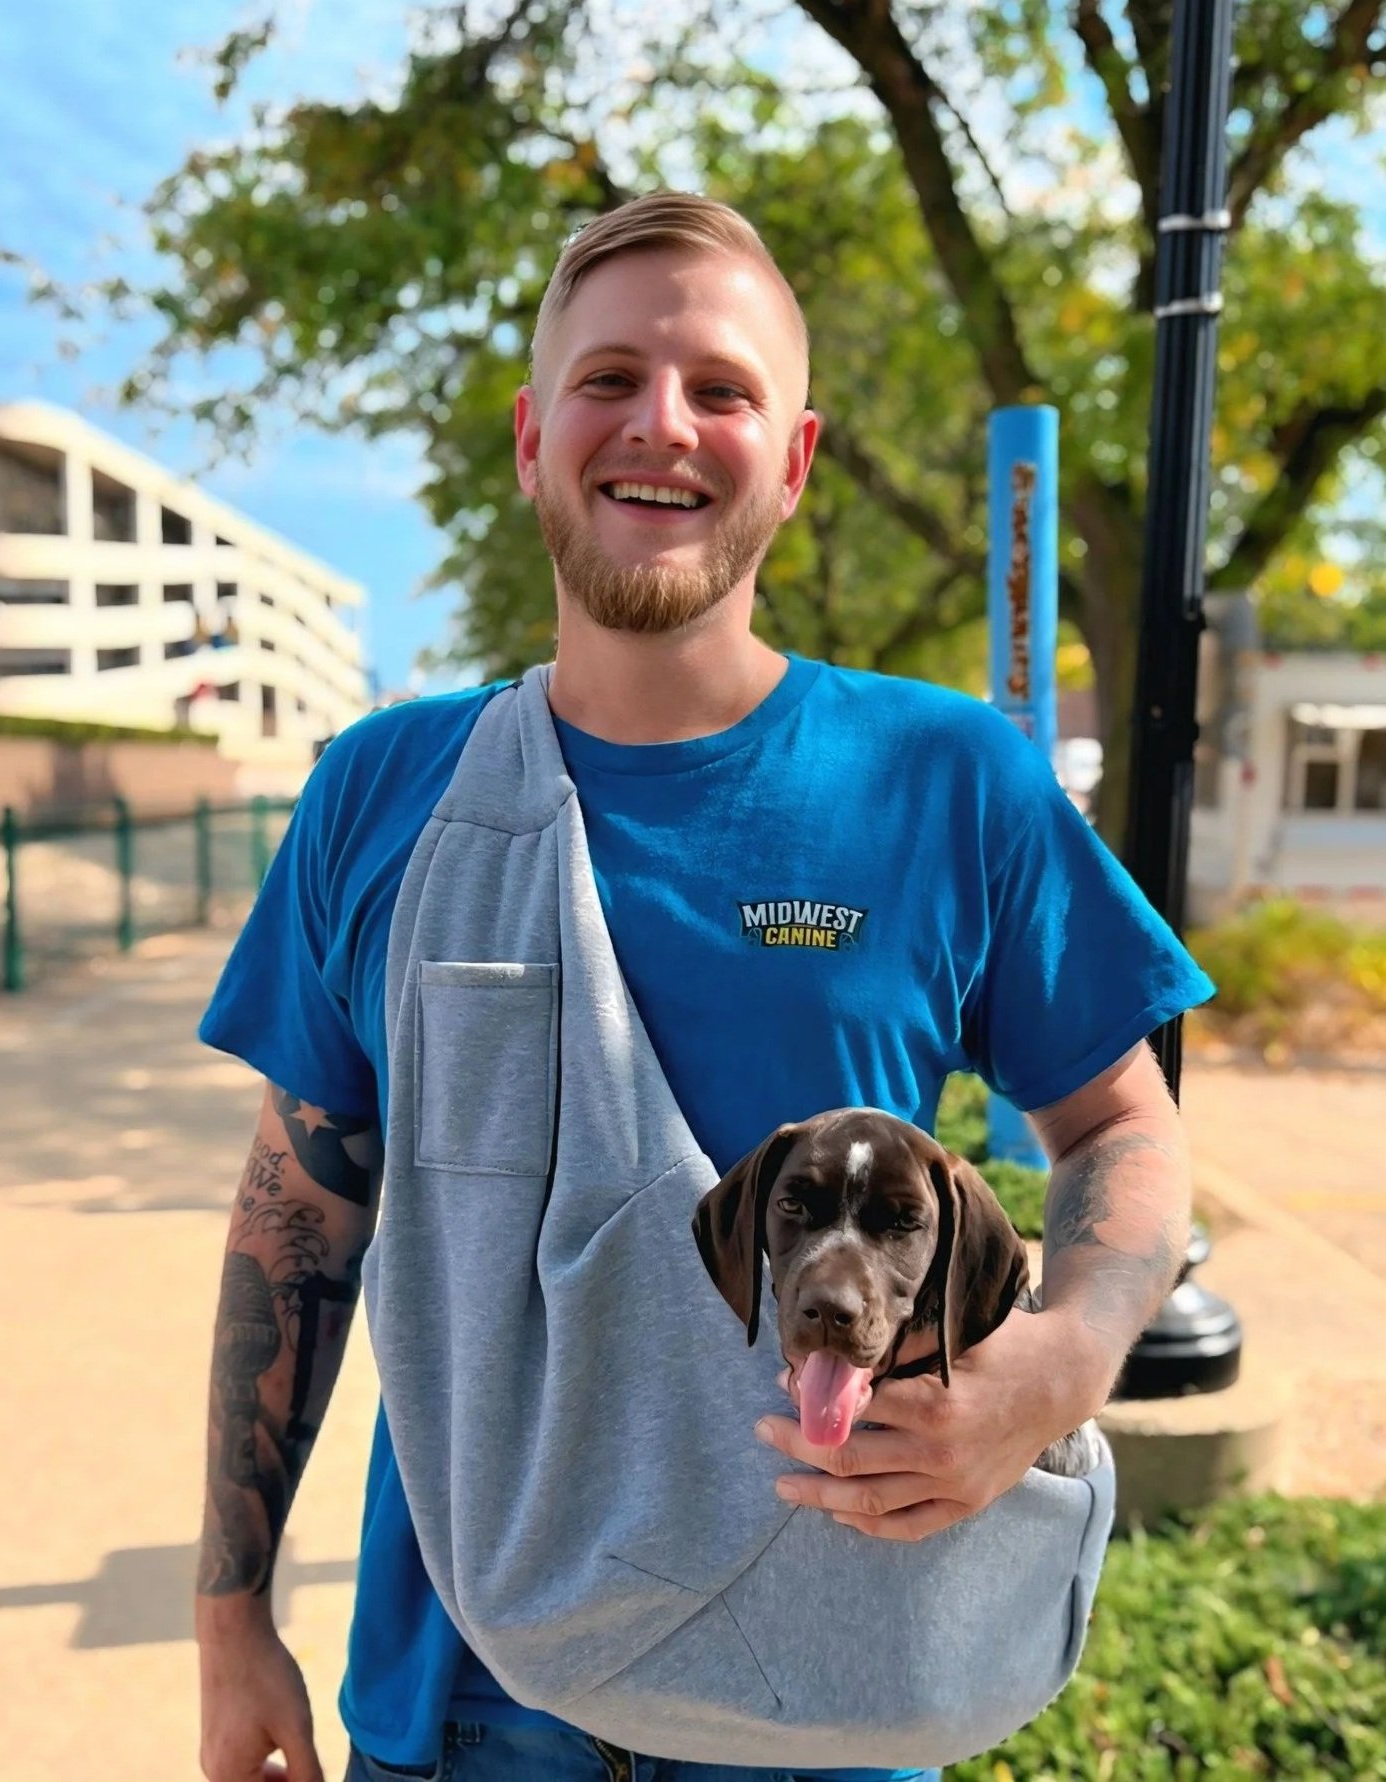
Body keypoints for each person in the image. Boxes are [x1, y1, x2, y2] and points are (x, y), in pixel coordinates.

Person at [195, 191, 1212, 1782]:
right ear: (536, 438)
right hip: (467, 1692)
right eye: (609, 380)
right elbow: (298, 1214)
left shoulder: (948, 781)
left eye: (721, 389)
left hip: (841, 1695)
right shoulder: (384, 793)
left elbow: (1123, 1126)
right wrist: (229, 1614)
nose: (660, 425)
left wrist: (1061, 1360)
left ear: (793, 459)